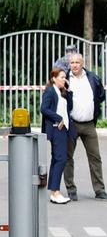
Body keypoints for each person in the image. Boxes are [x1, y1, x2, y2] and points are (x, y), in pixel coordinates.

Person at [62, 51, 107, 202]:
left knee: (95, 157)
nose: (74, 65)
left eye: (77, 62)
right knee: (68, 158)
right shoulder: (65, 79)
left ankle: (100, 190)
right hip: (72, 124)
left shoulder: (92, 78)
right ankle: (71, 190)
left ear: (83, 64)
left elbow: (100, 96)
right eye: (72, 63)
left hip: (89, 124)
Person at [40, 67, 74, 205]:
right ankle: (56, 191)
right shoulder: (50, 91)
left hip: (64, 129)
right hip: (56, 129)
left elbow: (70, 108)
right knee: (61, 159)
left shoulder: (61, 92)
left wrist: (69, 91)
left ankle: (54, 191)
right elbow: (44, 109)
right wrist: (58, 118)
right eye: (61, 77)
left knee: (57, 159)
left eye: (65, 77)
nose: (64, 79)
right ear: (53, 78)